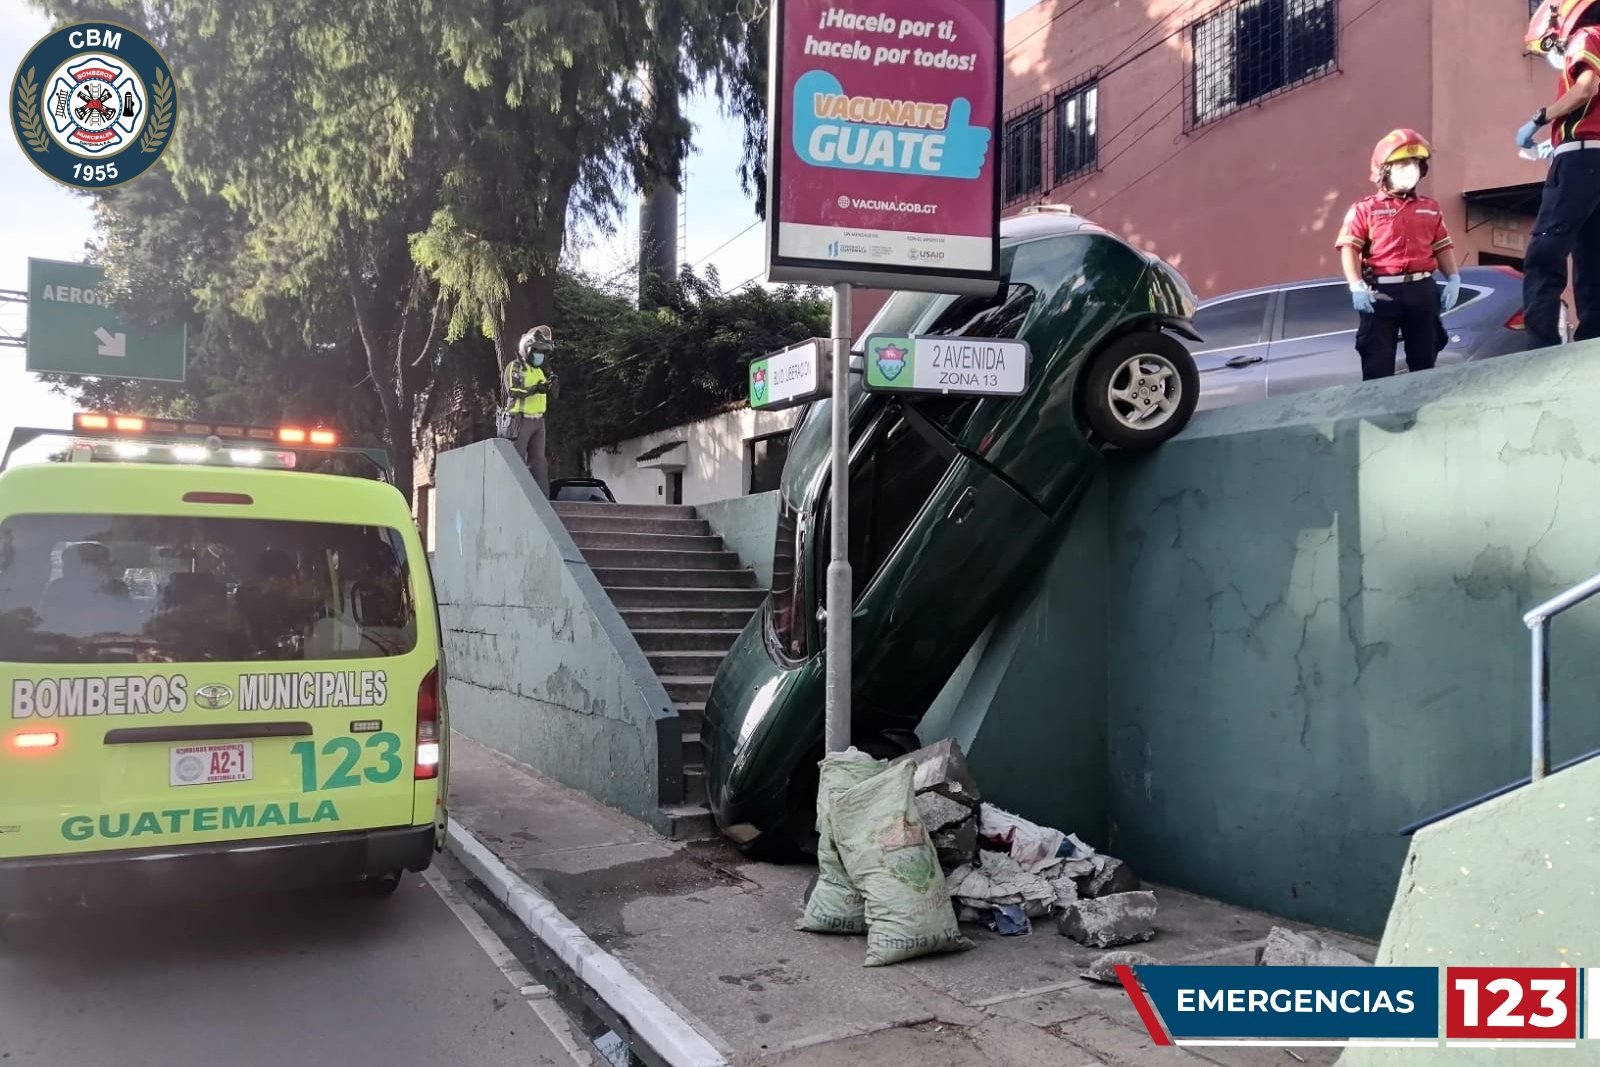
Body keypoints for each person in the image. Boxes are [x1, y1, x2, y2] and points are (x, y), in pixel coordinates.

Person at [1335, 129, 1462, 382]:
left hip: (1422, 290)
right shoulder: (1366, 209)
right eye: (1403, 163)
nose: (1411, 169)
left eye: (1415, 164)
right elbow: (1350, 247)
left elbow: (1442, 247)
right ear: (1385, 170)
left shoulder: (1430, 208)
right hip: (1381, 293)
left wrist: (1454, 278)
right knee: (1377, 364)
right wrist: (1356, 286)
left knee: (1424, 361)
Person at [1518, 0, 1600, 350]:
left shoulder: (1587, 35)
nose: (1555, 54)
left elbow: (1585, 88)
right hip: (1590, 156)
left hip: (1580, 162)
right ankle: (1592, 342)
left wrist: (1540, 118)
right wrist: (1560, 140)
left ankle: (1541, 345)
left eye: (1551, 46)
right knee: (1592, 254)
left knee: (1545, 250)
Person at [504, 326, 554, 494]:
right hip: (520, 420)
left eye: (543, 352)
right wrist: (534, 389)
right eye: (536, 351)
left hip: (539, 422)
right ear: (526, 349)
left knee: (539, 462)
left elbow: (547, 393)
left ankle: (542, 498)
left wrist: (553, 388)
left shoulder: (540, 371)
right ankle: (514, 495)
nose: (540, 355)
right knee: (516, 461)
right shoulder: (515, 367)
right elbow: (513, 391)